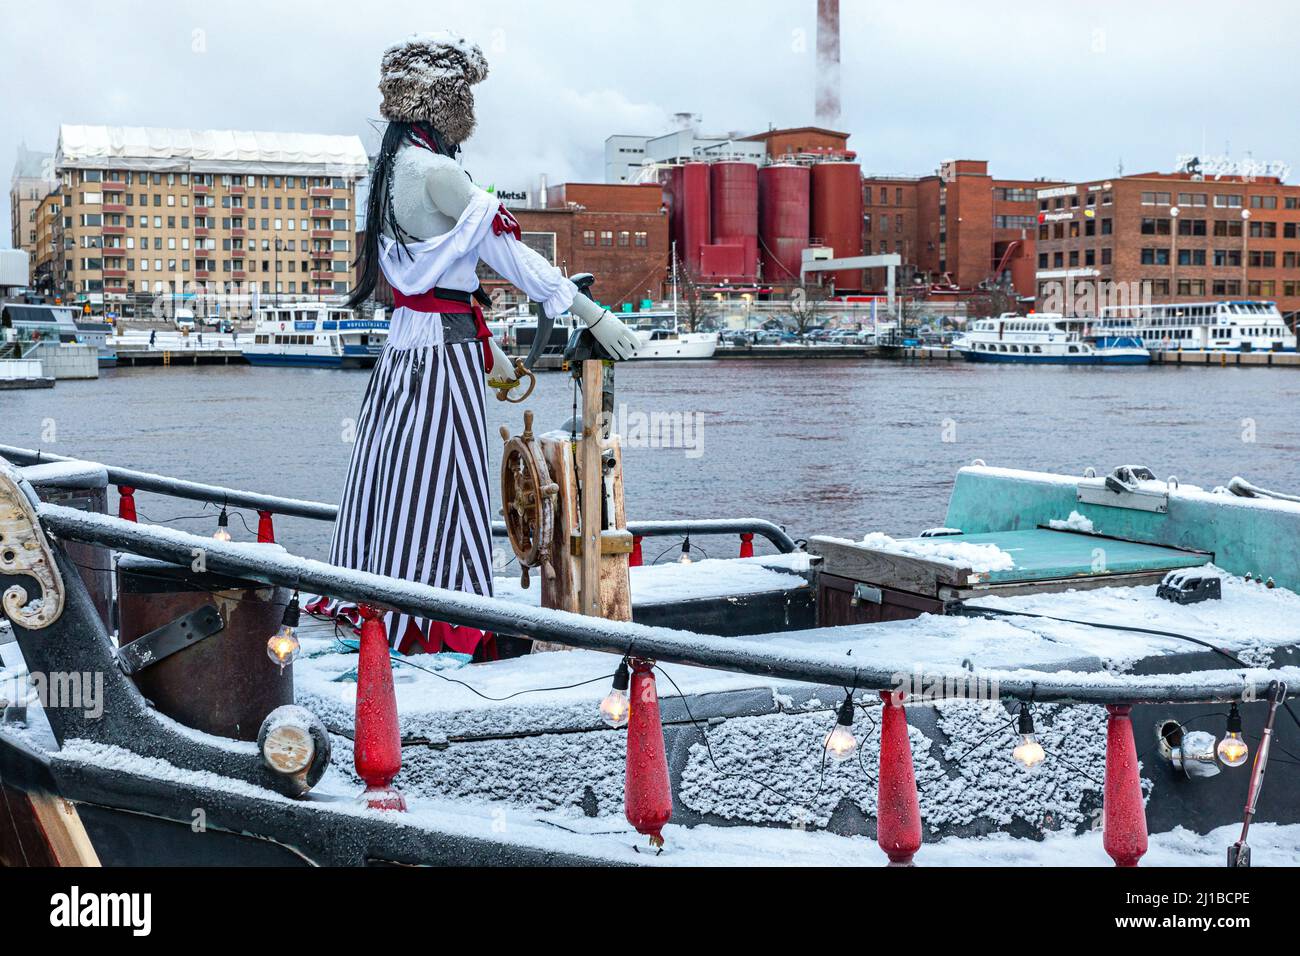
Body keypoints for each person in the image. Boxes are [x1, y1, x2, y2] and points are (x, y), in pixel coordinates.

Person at [329, 32, 639, 655]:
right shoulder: (439, 173)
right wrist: (590, 313)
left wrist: (491, 350)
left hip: (403, 353)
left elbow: (426, 284)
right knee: (450, 481)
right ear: (448, 107)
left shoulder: (387, 170)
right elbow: (509, 254)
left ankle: (374, 600)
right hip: (442, 363)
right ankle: (447, 621)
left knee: (393, 475)